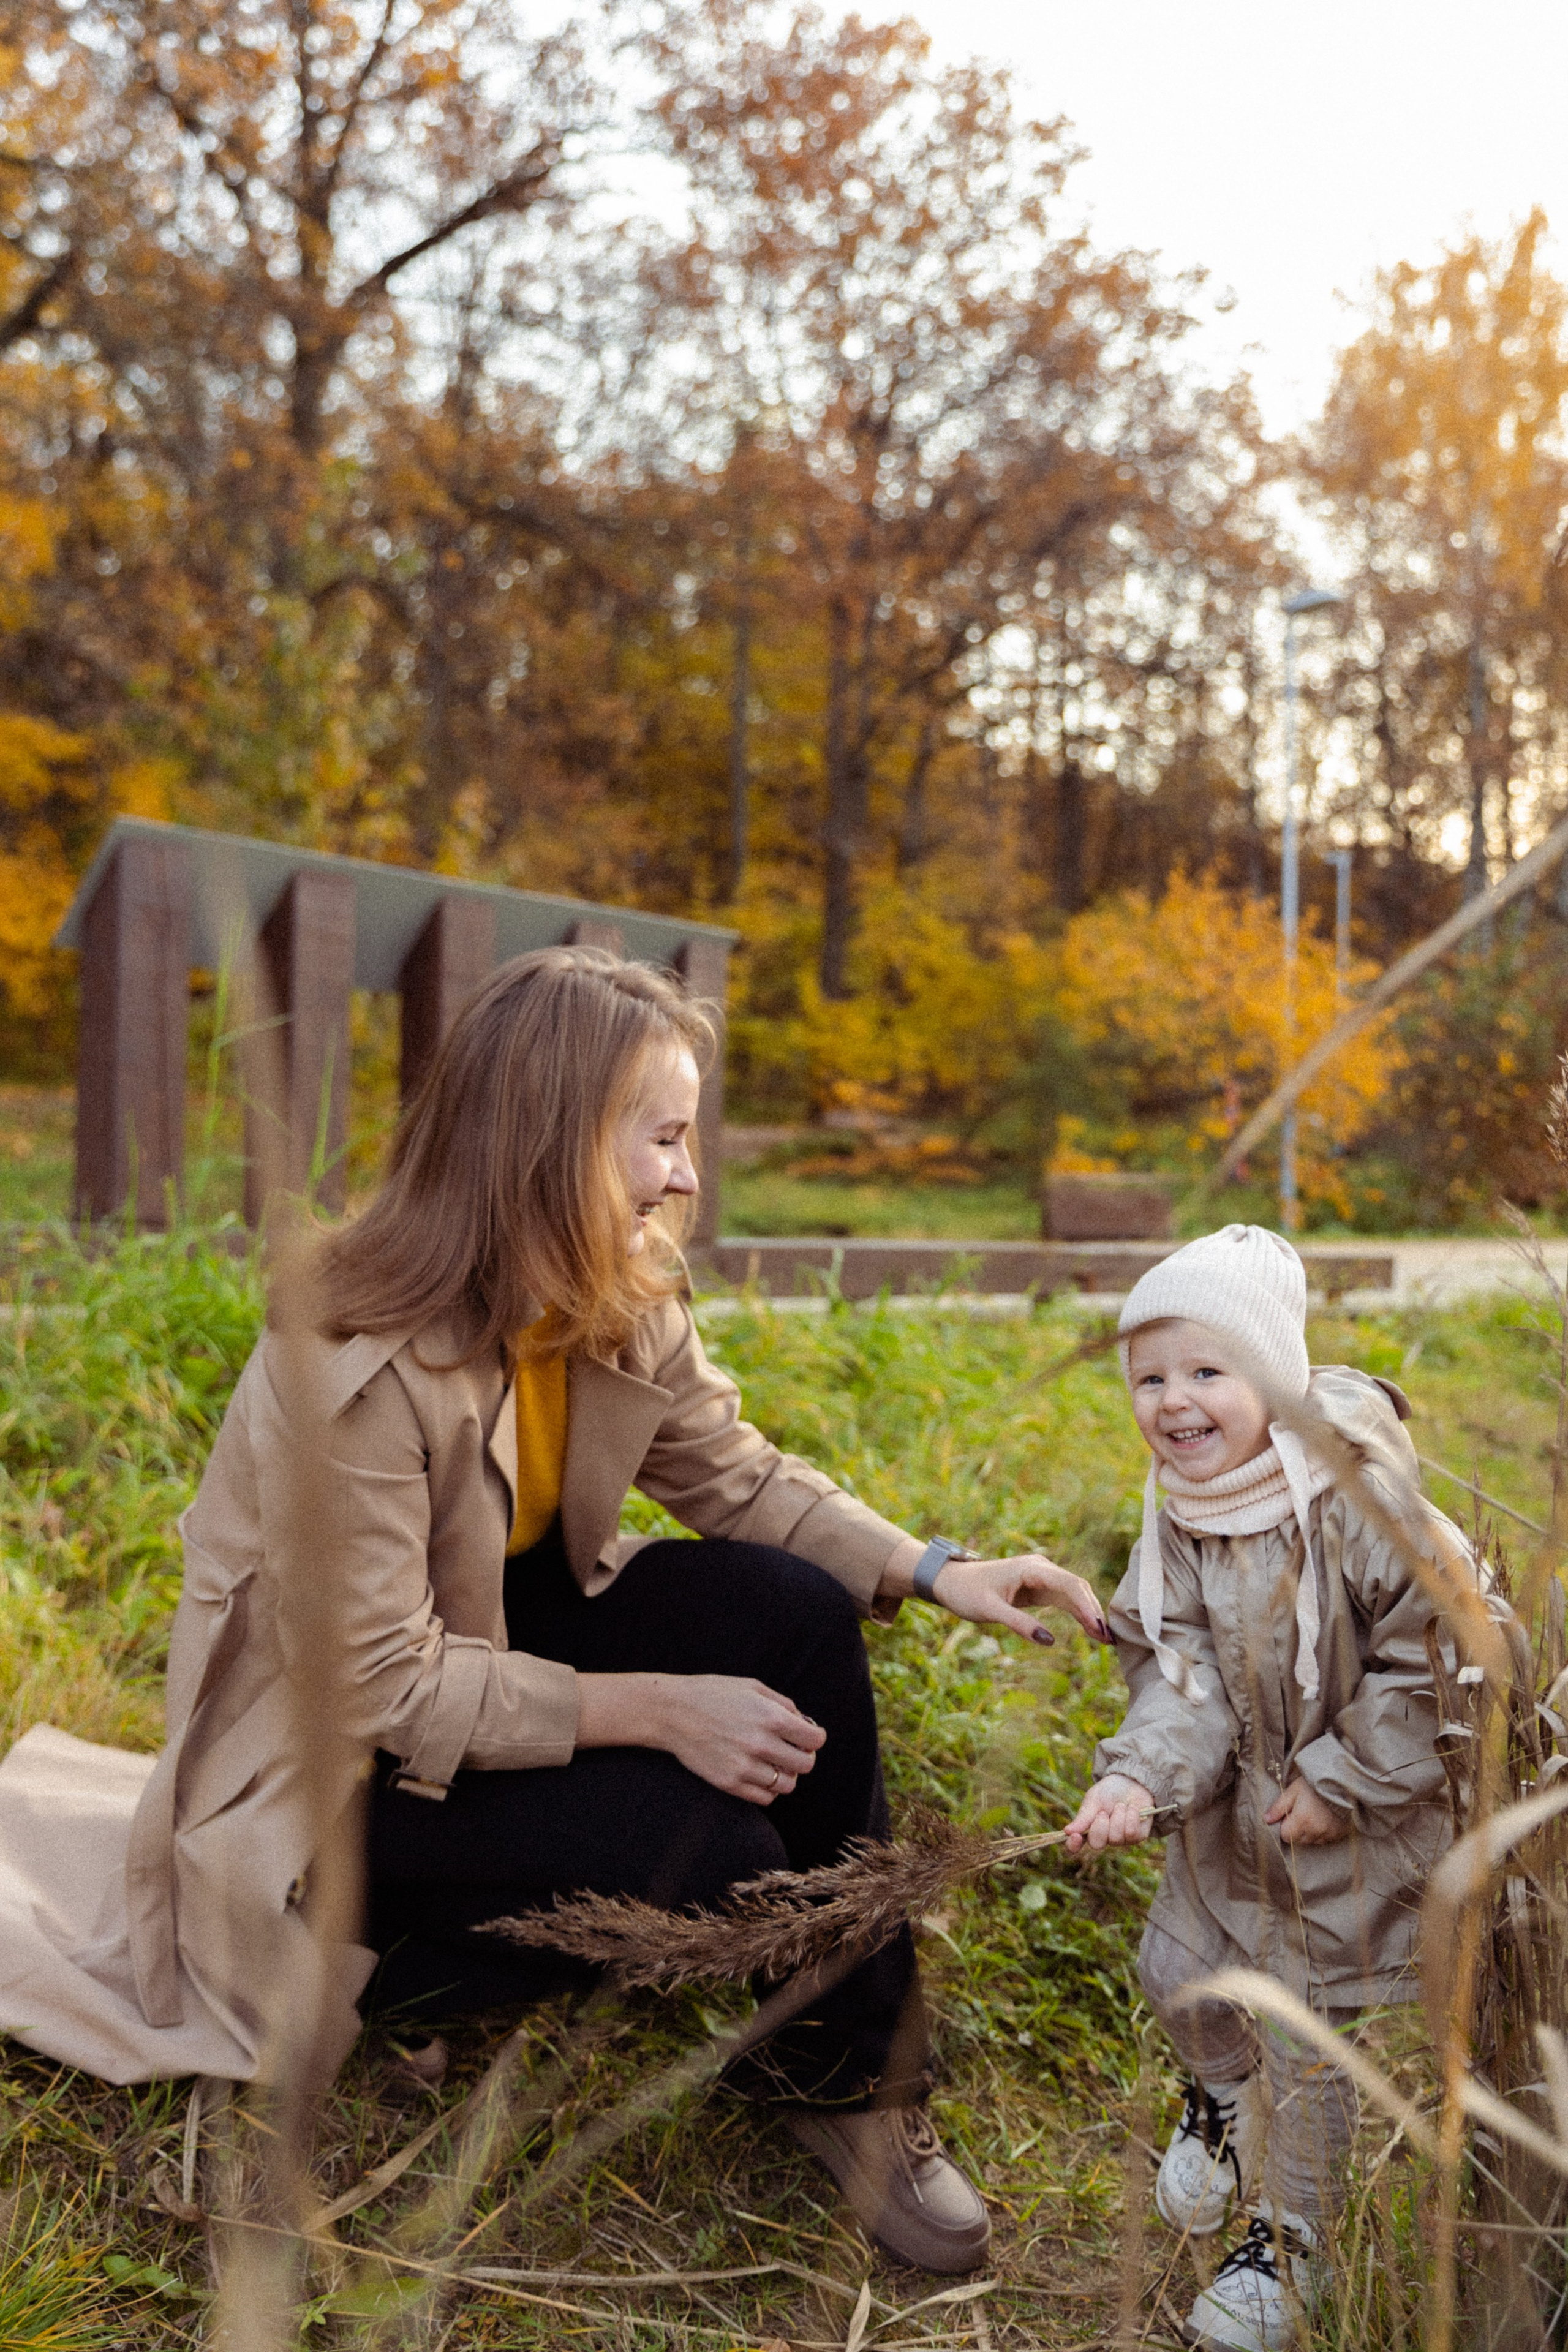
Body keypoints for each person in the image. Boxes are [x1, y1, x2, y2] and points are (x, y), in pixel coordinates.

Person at [0, 946, 1107, 2277]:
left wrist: (933, 1568)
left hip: (498, 1642)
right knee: (716, 1845)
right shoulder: (344, 1362)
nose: (687, 1175)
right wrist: (656, 1712)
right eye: (664, 1138)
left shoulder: (607, 1282)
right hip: (338, 1768)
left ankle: (843, 2078)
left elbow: (731, 1472)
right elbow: (382, 1684)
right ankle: (380, 1963)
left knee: (797, 1611)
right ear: (551, 1140)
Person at [1063, 1224, 1485, 2352]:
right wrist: (1139, 1778)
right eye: (1150, 1378)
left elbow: (1441, 1653)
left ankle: (1294, 2237)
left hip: (1350, 1834)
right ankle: (1223, 2101)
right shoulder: (1183, 1513)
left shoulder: (1358, 1501)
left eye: (1208, 1370)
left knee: (1309, 2040)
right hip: (1229, 1826)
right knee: (1175, 1970)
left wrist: (1344, 1777)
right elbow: (1183, 1675)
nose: (1174, 1401)